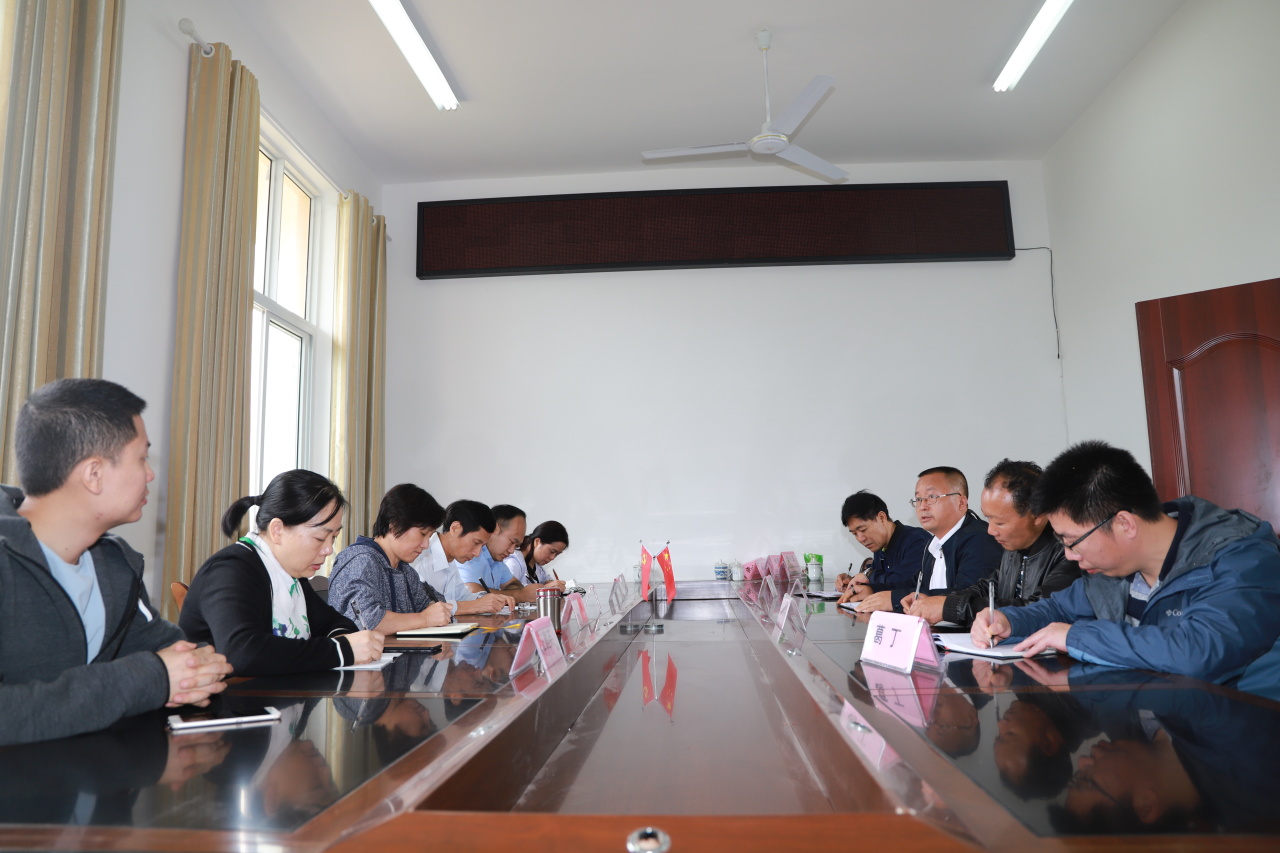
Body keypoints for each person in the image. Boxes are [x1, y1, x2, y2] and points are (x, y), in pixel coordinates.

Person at [0, 378, 231, 747]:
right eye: (142, 458)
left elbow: (182, 657)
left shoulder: (114, 565)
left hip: (101, 773)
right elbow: (154, 674)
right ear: (94, 475)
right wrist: (151, 680)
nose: (150, 474)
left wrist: (190, 675)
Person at [972, 440, 1280, 700]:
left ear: (1124, 524)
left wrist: (1078, 637)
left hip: (1242, 736)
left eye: (1071, 540)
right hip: (1161, 730)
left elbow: (1199, 653)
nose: (1069, 554)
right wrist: (1007, 620)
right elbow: (1058, 610)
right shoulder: (1114, 568)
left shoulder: (1242, 558)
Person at [180, 470, 384, 676]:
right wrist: (341, 650)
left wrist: (344, 640)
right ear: (277, 530)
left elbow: (334, 622)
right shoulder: (230, 570)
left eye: (334, 537)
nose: (329, 549)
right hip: (227, 695)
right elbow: (243, 653)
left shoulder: (291, 576)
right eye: (320, 538)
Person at [906, 459, 1080, 626]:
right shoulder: (1013, 548)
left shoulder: (1071, 552)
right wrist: (939, 601)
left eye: (1000, 522)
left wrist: (950, 608)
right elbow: (987, 588)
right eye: (988, 518)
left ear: (1037, 515)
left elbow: (1041, 609)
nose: (990, 530)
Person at [858, 466, 1003, 613]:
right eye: (918, 499)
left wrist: (894, 600)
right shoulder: (934, 543)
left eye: (932, 497)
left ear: (961, 502)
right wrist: (872, 590)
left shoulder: (980, 539)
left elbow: (967, 596)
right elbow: (917, 585)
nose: (922, 506)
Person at [327, 483, 455, 634]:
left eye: (430, 536)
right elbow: (366, 622)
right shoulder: (360, 561)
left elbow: (433, 603)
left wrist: (434, 610)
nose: (426, 545)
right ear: (394, 525)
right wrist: (425, 619)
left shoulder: (404, 570)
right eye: (422, 534)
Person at [410, 499, 515, 615]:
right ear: (455, 528)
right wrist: (474, 605)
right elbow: (421, 606)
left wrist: (491, 600)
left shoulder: (451, 560)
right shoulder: (419, 558)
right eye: (476, 543)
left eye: (482, 546)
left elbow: (462, 597)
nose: (477, 553)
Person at [834, 490, 930, 605]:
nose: (860, 538)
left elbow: (906, 583)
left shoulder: (917, 541)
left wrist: (868, 575)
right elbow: (881, 581)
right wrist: (854, 582)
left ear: (881, 517)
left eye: (863, 530)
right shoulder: (880, 546)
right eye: (854, 534)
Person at [459, 504, 530, 594]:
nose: (512, 551)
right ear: (495, 529)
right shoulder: (472, 554)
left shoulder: (497, 560)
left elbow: (514, 584)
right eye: (512, 542)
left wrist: (515, 594)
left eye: (516, 546)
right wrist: (519, 596)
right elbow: (472, 591)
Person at [504, 520, 570, 598]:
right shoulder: (512, 562)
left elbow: (547, 580)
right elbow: (508, 593)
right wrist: (545, 588)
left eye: (557, 554)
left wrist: (554, 584)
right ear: (537, 542)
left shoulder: (537, 566)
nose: (552, 558)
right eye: (552, 551)